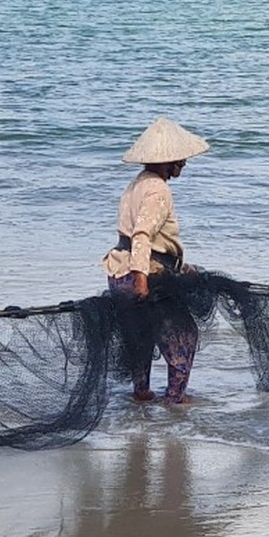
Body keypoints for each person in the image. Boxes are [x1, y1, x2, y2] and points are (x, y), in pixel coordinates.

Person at [103, 116, 208, 406]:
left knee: (142, 334)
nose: (184, 163)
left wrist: (179, 265)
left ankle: (141, 393)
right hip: (143, 274)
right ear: (167, 161)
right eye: (180, 159)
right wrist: (141, 280)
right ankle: (175, 401)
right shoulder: (158, 190)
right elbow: (141, 235)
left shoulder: (137, 184)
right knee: (184, 336)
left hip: (117, 271)